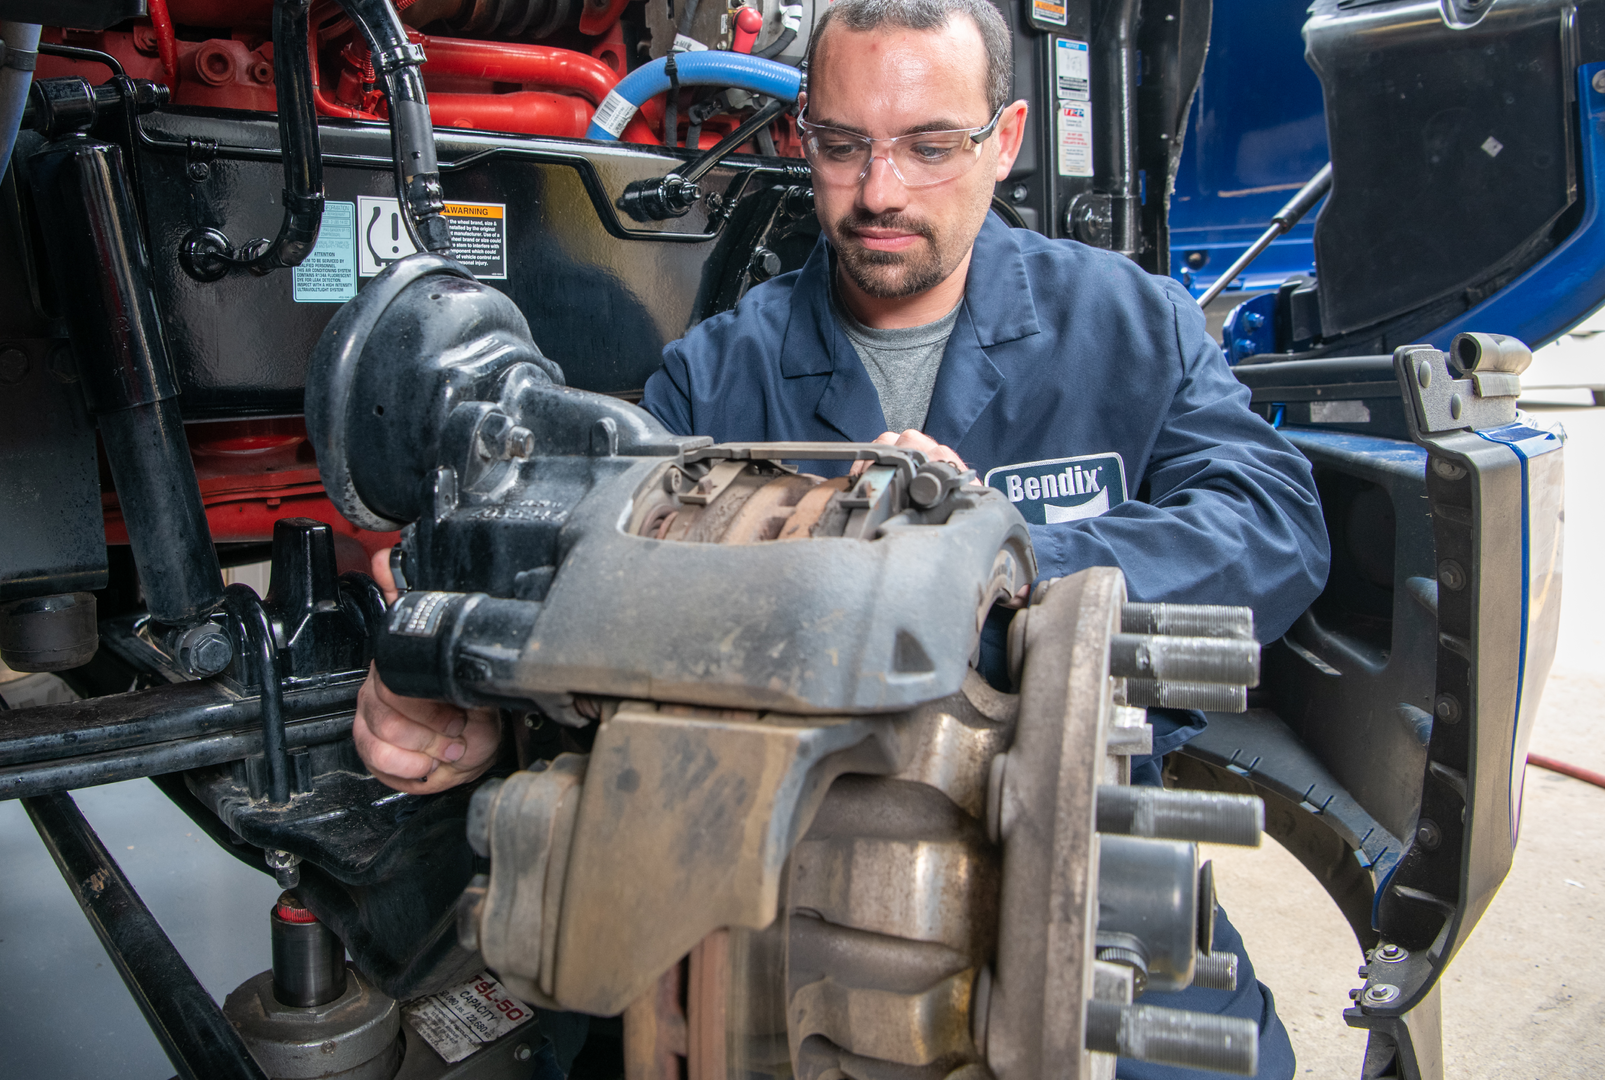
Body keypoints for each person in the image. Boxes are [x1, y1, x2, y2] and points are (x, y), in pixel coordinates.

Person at [351, 0, 1328, 1075]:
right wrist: (496, 706)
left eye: (929, 145)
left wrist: (988, 571)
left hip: (1067, 842)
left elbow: (1269, 525)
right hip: (770, 881)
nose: (881, 192)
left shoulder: (1130, 323)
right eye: (844, 146)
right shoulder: (715, 373)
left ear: (1003, 141)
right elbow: (626, 624)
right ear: (800, 139)